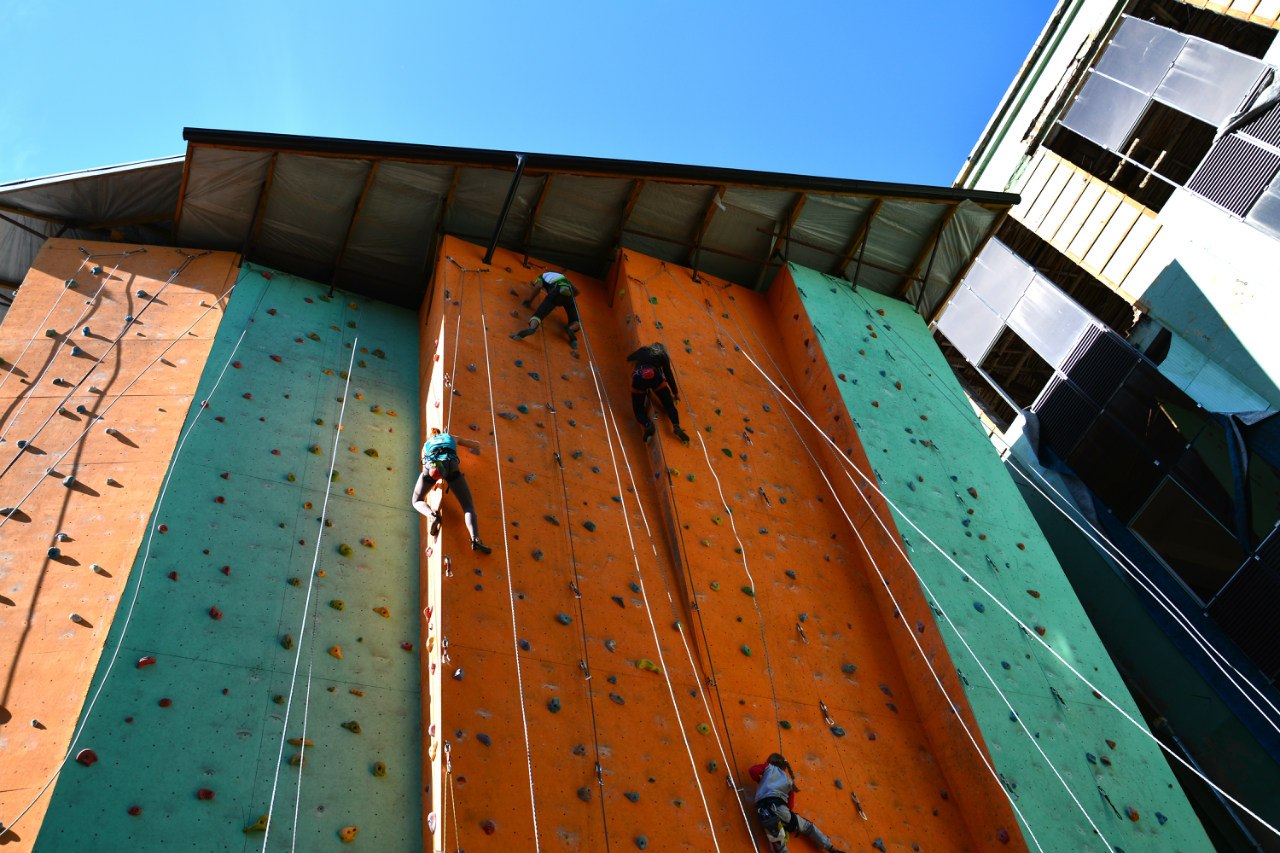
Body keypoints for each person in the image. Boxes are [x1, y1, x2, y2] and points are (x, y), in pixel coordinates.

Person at [411, 427, 492, 554]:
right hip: (451, 466)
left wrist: (432, 485)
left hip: (432, 468)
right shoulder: (451, 437)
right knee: (468, 507)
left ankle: (432, 516)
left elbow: (425, 465)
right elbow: (476, 445)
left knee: (416, 501)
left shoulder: (426, 445)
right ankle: (475, 539)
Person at [749, 753, 845, 853]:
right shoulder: (789, 782)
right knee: (808, 827)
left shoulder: (768, 767)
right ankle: (831, 848)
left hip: (765, 811)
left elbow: (753, 771)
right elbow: (790, 806)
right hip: (782, 810)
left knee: (780, 848)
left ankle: (780, 828)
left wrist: (760, 781)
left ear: (769, 761)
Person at [627, 343, 689, 444]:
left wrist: (635, 360)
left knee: (638, 410)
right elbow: (668, 374)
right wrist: (675, 392)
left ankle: (648, 424)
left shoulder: (643, 350)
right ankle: (676, 426)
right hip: (654, 376)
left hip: (639, 377)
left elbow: (629, 358)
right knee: (669, 405)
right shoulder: (663, 355)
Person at [510, 271, 581, 342]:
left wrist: (529, 300)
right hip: (570, 296)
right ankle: (571, 328)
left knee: (539, 314)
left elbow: (538, 287)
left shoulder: (541, 276)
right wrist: (566, 299)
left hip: (557, 292)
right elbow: (577, 292)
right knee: (575, 320)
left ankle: (532, 328)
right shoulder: (565, 279)